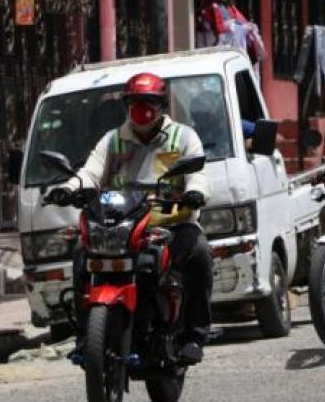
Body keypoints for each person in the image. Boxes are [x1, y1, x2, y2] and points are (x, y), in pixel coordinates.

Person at [56, 72, 213, 365]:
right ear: (126, 105)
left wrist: (195, 193)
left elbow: (198, 175)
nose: (141, 108)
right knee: (81, 255)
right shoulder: (113, 140)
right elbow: (90, 172)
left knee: (200, 253)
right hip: (122, 226)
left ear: (161, 105)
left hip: (171, 224)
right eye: (135, 102)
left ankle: (195, 335)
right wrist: (67, 190)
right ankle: (84, 337)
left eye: (149, 101)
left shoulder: (183, 137)